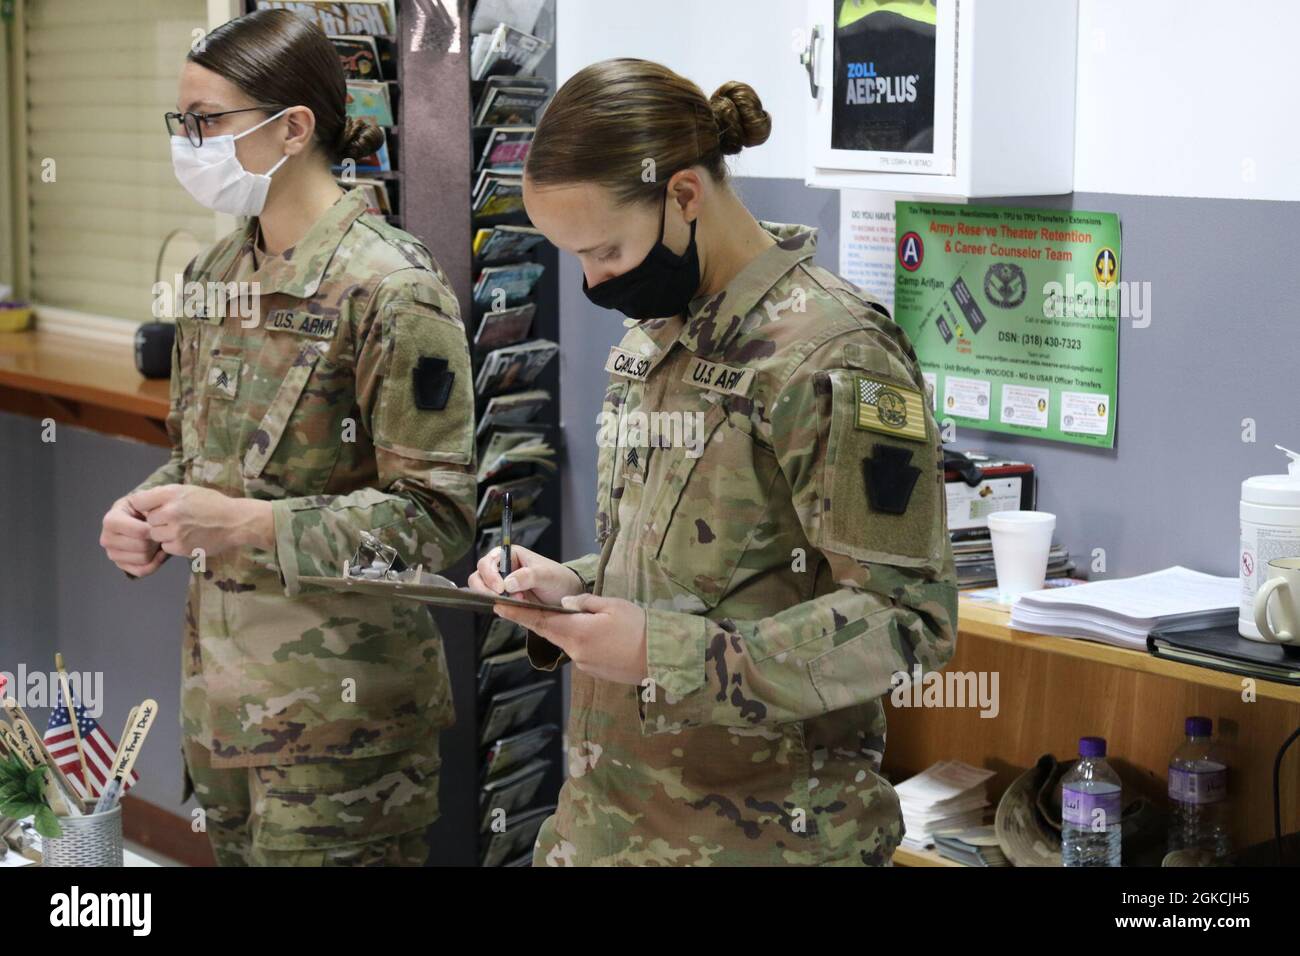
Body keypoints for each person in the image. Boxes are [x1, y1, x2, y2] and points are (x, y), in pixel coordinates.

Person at [469, 59, 958, 866]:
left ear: (685, 195)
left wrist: (659, 653)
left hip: (762, 840)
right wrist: (577, 586)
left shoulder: (833, 357)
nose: (593, 282)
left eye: (604, 249)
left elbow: (909, 619)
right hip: (607, 825)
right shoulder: (656, 332)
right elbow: (700, 567)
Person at [97, 9, 476, 866]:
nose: (187, 143)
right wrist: (144, 508)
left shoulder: (391, 289)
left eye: (207, 123)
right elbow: (204, 464)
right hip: (223, 710)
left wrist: (243, 526)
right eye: (180, 123)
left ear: (294, 127)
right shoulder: (215, 274)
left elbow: (438, 520)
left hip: (345, 737)